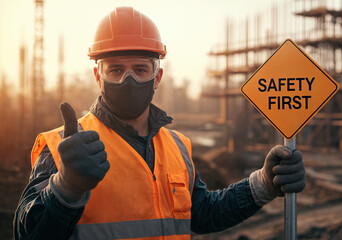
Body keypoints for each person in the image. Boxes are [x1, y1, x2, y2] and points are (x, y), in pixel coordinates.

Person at [14, 6, 305, 240]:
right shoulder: (66, 148)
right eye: (115, 69)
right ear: (97, 76)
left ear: (157, 77)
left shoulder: (177, 147)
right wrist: (66, 187)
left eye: (140, 69)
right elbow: (26, 233)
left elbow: (203, 214)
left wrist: (264, 183)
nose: (128, 80)